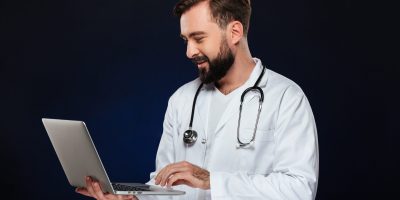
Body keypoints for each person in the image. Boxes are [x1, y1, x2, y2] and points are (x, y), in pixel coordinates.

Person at [76, 0, 319, 199]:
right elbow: (165, 186)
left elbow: (299, 190)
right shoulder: (181, 100)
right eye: (186, 40)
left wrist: (213, 181)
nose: (189, 51)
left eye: (199, 38)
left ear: (235, 32)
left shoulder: (286, 98)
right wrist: (135, 198)